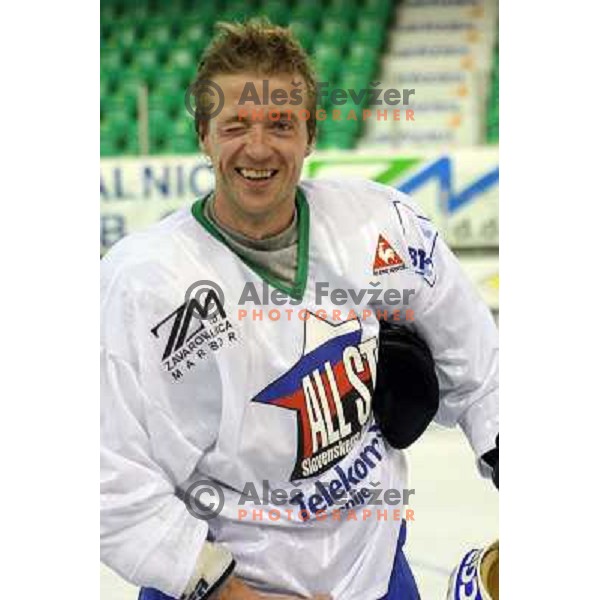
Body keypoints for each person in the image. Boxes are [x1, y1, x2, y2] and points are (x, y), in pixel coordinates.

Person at [100, 19, 499, 600]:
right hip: (216, 584)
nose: (258, 147)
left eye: (281, 124)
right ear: (204, 136)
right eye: (236, 125)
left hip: (374, 572)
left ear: (310, 135)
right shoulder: (139, 283)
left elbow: (480, 364)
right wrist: (230, 593)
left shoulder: (379, 223)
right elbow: (104, 477)